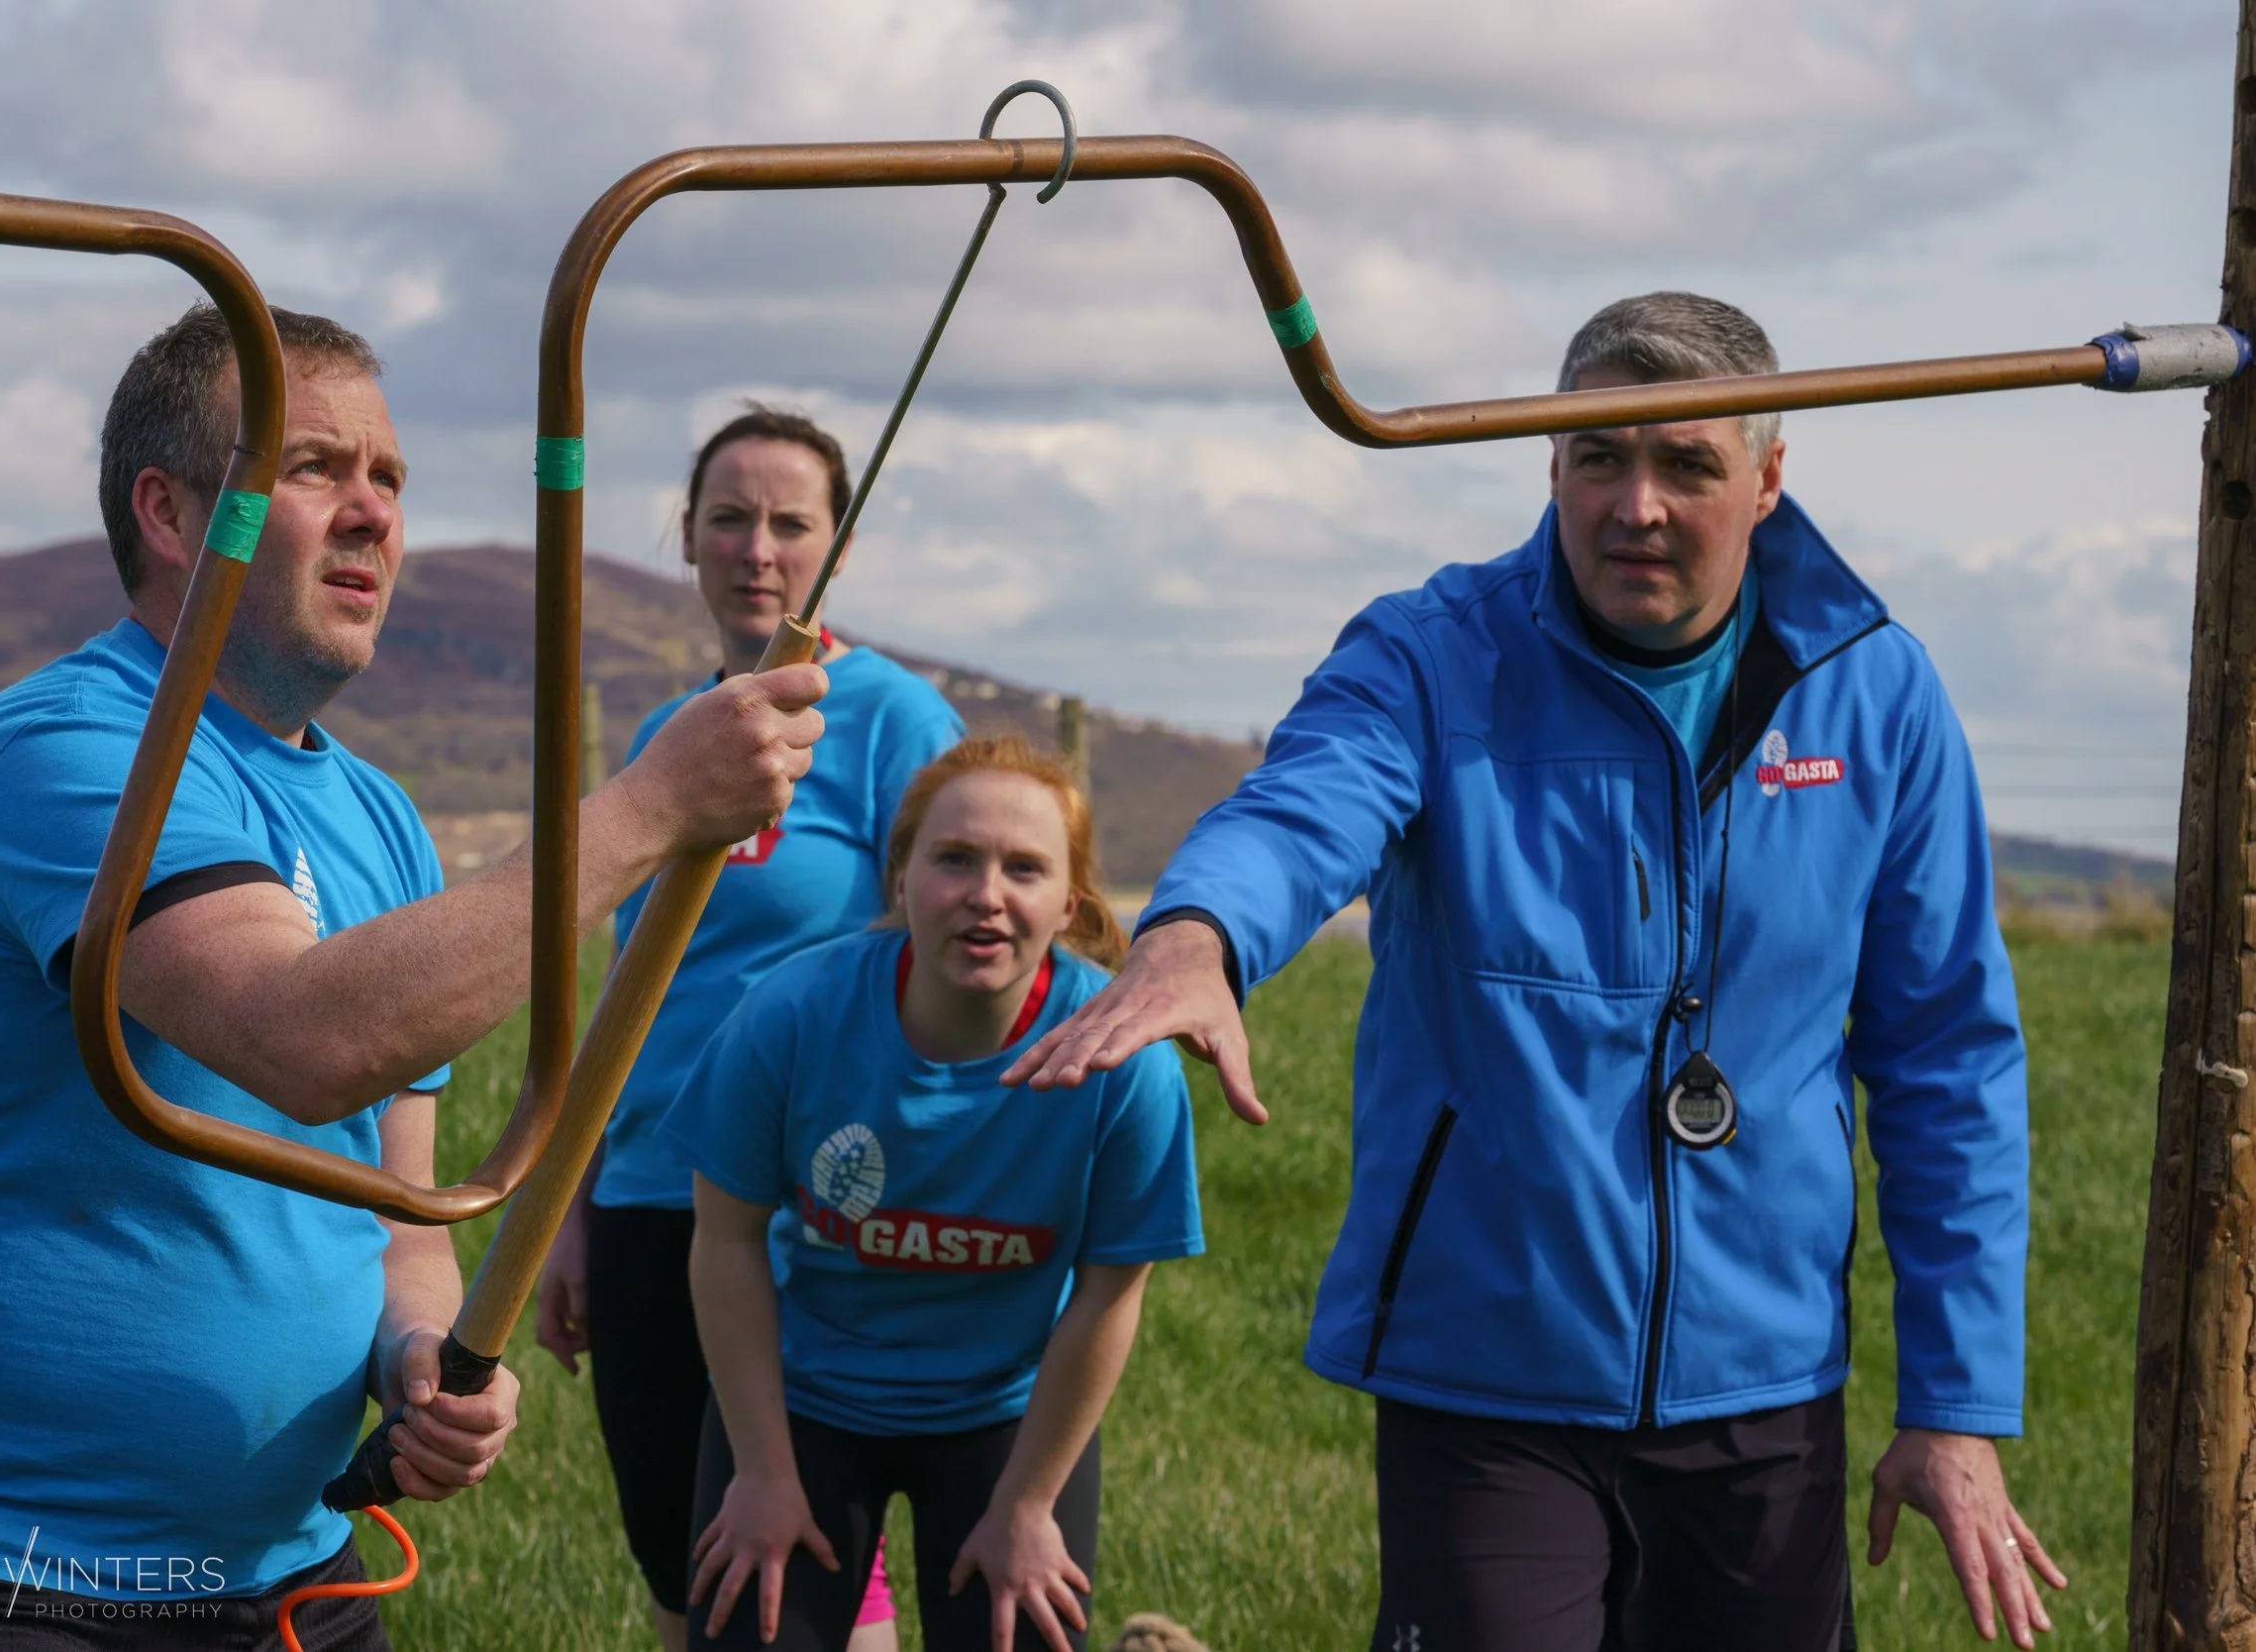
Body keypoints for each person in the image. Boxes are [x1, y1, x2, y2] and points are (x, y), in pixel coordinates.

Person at [1009, 292, 2067, 1651]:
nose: (1636, 505)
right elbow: (1301, 806)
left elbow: (1949, 1062)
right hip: (1490, 1374)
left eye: (1687, 465)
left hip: (1766, 1385)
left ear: (1768, 479)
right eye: (1597, 458)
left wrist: (1958, 1408)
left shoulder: (1874, 692)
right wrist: (1195, 934)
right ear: (1547, 466)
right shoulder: (1435, 652)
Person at [0, 305, 826, 1649]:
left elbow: (402, 1215)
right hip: (1, 1582)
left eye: (389, 479)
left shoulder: (382, 821)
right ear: (171, 513)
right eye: (314, 469)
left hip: (295, 1577)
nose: (372, 515)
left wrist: (415, 1360)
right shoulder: (64, 753)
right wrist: (643, 811)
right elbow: (305, 1038)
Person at [533, 405, 963, 1652]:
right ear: (686, 539)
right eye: (728, 517)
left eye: (790, 522)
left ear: (837, 547)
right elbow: (632, 992)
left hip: (813, 1200)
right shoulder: (675, 738)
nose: (756, 548)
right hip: (651, 1188)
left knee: (816, 1568)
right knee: (680, 1554)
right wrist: (574, 1206)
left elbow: (936, 957)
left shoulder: (890, 719)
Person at [669, 736, 1203, 1652]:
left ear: (1068, 903)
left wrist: (1031, 1506)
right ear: (902, 876)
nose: (986, 894)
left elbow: (1112, 1293)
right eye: (955, 859)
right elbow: (725, 1243)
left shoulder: (1120, 1061)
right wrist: (760, 1471)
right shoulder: (790, 1015)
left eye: (1024, 868)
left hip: (1004, 1418)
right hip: (803, 1401)